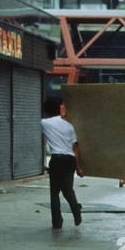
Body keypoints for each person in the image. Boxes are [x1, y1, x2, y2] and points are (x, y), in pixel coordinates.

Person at [41, 96, 82, 229]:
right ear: (59, 107)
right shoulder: (69, 126)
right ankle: (76, 209)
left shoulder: (44, 123)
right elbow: (75, 147)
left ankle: (57, 222)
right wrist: (78, 167)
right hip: (69, 160)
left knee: (54, 193)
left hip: (57, 159)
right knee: (68, 189)